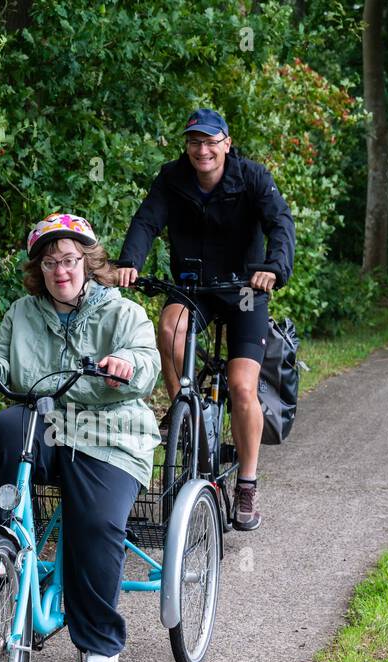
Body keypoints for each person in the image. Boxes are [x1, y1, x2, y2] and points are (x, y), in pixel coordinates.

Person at [0, 213, 161, 662]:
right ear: (38, 270)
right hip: (44, 424)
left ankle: (98, 640)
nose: (60, 271)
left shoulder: (121, 312)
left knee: (96, 524)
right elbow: (0, 359)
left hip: (111, 433)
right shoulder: (23, 312)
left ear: (86, 261)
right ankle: (3, 543)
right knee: (4, 427)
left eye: (68, 260)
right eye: (49, 263)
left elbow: (146, 360)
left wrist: (122, 365)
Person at [114, 107, 295, 531]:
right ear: (187, 146)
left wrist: (274, 267)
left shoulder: (251, 177)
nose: (202, 150)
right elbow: (146, 221)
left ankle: (247, 484)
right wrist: (130, 262)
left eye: (211, 142)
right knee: (168, 327)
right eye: (195, 141)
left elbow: (280, 223)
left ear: (226, 144)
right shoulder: (172, 178)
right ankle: (188, 414)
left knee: (242, 387)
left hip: (246, 291)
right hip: (195, 288)